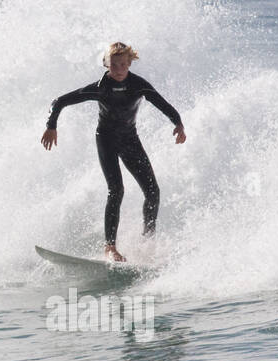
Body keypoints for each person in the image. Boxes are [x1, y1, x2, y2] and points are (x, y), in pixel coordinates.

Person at [40, 42, 186, 263]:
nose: (118, 69)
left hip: (130, 140)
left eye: (123, 65)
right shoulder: (100, 87)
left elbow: (163, 104)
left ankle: (148, 243)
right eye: (114, 65)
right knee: (116, 189)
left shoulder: (139, 85)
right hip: (106, 139)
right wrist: (52, 125)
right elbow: (60, 101)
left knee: (153, 191)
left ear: (129, 64)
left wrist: (178, 124)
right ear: (106, 64)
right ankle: (110, 247)